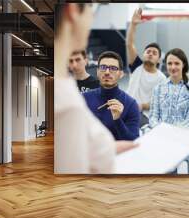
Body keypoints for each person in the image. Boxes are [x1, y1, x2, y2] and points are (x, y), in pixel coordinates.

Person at [54, 3, 136, 174]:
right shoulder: (70, 103)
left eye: (113, 68)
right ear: (74, 11)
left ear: (121, 74)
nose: (92, 20)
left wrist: (111, 143)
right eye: (92, 11)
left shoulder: (70, 96)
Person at [83, 51, 140, 140]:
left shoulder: (131, 104)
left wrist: (117, 120)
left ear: (121, 74)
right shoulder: (84, 99)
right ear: (97, 71)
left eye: (113, 68)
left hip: (116, 153)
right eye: (103, 67)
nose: (107, 72)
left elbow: (133, 141)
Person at [126, 8, 166, 126]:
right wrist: (133, 24)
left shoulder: (162, 78)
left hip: (144, 115)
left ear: (159, 60)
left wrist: (141, 106)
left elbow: (159, 103)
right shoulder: (137, 66)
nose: (150, 54)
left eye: (154, 53)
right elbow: (129, 44)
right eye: (148, 51)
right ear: (143, 54)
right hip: (126, 109)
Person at [149, 48, 189, 128]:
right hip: (160, 134)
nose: (173, 67)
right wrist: (161, 130)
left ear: (183, 64)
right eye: (169, 63)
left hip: (182, 135)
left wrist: (175, 132)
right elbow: (153, 117)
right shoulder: (158, 89)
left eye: (177, 63)